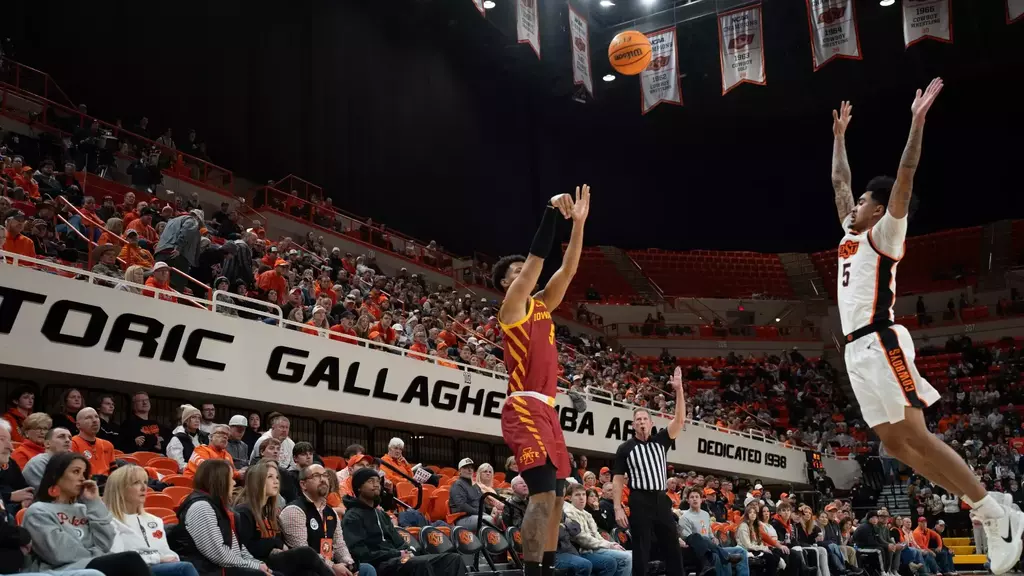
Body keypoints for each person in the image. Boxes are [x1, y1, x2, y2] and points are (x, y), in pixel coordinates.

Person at [831, 80, 1022, 575]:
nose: (851, 207)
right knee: (893, 445)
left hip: (880, 338)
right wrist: (839, 138)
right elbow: (838, 184)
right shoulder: (847, 238)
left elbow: (906, 175)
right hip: (854, 351)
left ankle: (992, 511)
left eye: (860, 204)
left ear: (876, 208)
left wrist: (916, 121)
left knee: (915, 433)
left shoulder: (885, 233)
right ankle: (988, 506)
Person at [492, 185, 591, 576]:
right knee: (542, 493)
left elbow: (568, 268)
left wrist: (579, 224)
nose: (524, 275)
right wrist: (551, 212)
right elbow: (537, 259)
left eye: (522, 272)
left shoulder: (543, 306)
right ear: (506, 284)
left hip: (547, 410)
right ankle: (531, 571)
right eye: (515, 274)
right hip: (524, 405)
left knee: (558, 498)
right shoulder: (513, 306)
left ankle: (546, 568)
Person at [22, 453, 150, 575]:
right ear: (57, 475)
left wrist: (94, 502)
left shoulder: (84, 509)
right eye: (76, 472)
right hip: (58, 570)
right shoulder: (38, 511)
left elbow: (105, 544)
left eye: (84, 473)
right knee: (129, 560)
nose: (82, 478)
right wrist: (96, 554)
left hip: (91, 564)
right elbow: (60, 554)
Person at [613, 367, 687, 576]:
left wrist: (679, 390)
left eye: (645, 419)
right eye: (638, 420)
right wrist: (618, 508)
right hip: (639, 499)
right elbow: (618, 480)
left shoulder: (661, 440)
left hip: (661, 499)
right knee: (641, 549)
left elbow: (680, 420)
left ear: (652, 423)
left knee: (672, 547)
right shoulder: (625, 448)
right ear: (633, 425)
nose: (642, 422)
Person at [342, 468, 467, 576]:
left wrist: (407, 551)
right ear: (359, 487)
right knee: (419, 564)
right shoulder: (352, 516)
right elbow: (361, 553)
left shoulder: (380, 514)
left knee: (452, 559)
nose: (376, 485)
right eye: (370, 481)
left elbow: (399, 541)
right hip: (378, 564)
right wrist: (397, 554)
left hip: (397, 560)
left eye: (377, 481)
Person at [234, 460, 337, 576]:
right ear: (257, 481)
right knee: (306, 552)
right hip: (257, 564)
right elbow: (245, 547)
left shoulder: (271, 513)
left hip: (275, 560)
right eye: (270, 477)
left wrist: (276, 544)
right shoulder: (243, 512)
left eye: (277, 477)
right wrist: (274, 544)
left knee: (309, 573)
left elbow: (279, 541)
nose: (276, 481)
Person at [173, 458, 272, 575]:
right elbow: (218, 554)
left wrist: (257, 563)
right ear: (219, 481)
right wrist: (253, 566)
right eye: (231, 479)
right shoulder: (201, 507)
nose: (234, 483)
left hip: (225, 568)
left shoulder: (218, 506)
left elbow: (237, 548)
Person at [103, 465, 200, 576]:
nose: (144, 487)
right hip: (130, 572)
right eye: (136, 483)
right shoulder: (109, 521)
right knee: (184, 568)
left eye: (145, 482)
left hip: (157, 569)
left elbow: (168, 553)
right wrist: (158, 559)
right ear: (119, 489)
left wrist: (168, 558)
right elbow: (119, 558)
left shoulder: (155, 520)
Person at [280, 463, 375, 576]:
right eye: (316, 476)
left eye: (325, 475)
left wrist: (349, 565)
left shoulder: (331, 512)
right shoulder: (294, 510)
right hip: (308, 569)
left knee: (366, 569)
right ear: (303, 484)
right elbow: (304, 552)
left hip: (329, 564)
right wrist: (332, 566)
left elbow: (339, 545)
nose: (323, 479)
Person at [563, 482, 632, 576]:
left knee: (630, 554)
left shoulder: (586, 513)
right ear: (570, 498)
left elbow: (596, 534)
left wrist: (611, 544)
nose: (581, 497)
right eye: (577, 495)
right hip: (584, 550)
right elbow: (582, 539)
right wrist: (608, 545)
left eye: (583, 494)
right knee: (625, 558)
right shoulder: (569, 512)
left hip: (595, 547)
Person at [71, 407, 116, 479]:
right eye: (88, 417)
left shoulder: (108, 445)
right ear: (78, 425)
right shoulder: (73, 443)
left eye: (96, 417)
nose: (95, 420)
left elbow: (114, 472)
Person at [736, 503, 780, 576]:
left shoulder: (755, 526)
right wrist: (763, 548)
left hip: (755, 549)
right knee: (770, 558)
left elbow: (759, 542)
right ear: (746, 515)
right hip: (745, 550)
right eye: (750, 513)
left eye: (754, 513)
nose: (753, 514)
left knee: (775, 555)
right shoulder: (743, 526)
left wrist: (764, 548)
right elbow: (748, 545)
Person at [448, 457, 491, 530]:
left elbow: (482, 502)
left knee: (501, 518)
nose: (469, 470)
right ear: (460, 471)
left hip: (478, 516)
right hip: (463, 518)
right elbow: (462, 506)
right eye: (466, 468)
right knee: (491, 521)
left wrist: (490, 511)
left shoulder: (475, 486)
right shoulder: (457, 485)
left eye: (471, 468)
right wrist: (480, 513)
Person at [167, 404, 210, 472]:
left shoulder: (204, 437)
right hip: (186, 475)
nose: (197, 420)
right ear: (186, 420)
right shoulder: (178, 439)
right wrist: (198, 471)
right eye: (193, 417)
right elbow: (179, 465)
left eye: (199, 418)